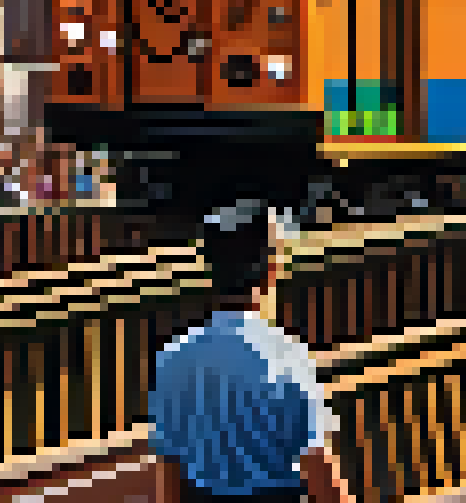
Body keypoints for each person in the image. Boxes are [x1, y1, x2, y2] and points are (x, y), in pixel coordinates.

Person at [149, 207, 354, 502]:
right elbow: (320, 471)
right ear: (271, 271)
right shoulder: (286, 356)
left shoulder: (172, 358)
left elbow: (169, 474)